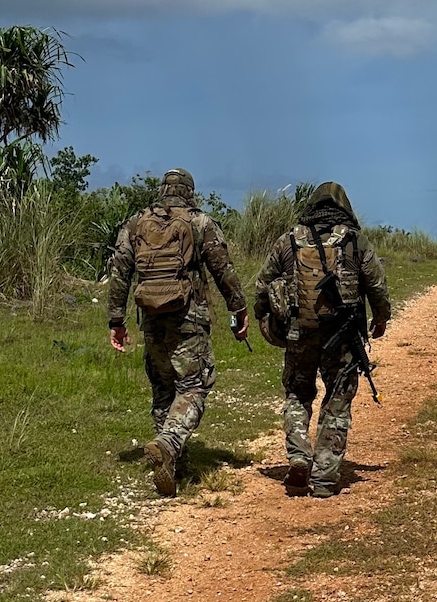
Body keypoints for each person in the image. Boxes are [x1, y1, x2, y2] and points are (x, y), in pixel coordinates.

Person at [105, 168, 248, 497]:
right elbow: (222, 270)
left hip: (152, 319)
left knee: (163, 389)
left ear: (162, 190)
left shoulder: (136, 223)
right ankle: (169, 445)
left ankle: (171, 465)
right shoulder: (200, 224)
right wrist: (238, 309)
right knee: (195, 386)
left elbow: (120, 274)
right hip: (189, 320)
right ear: (189, 192)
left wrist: (116, 320)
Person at [253, 181, 391, 498]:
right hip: (343, 336)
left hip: (298, 334)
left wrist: (264, 317)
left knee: (298, 394)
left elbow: (262, 286)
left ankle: (300, 456)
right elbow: (377, 287)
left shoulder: (288, 241)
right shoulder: (356, 242)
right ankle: (326, 476)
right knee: (337, 401)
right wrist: (381, 318)